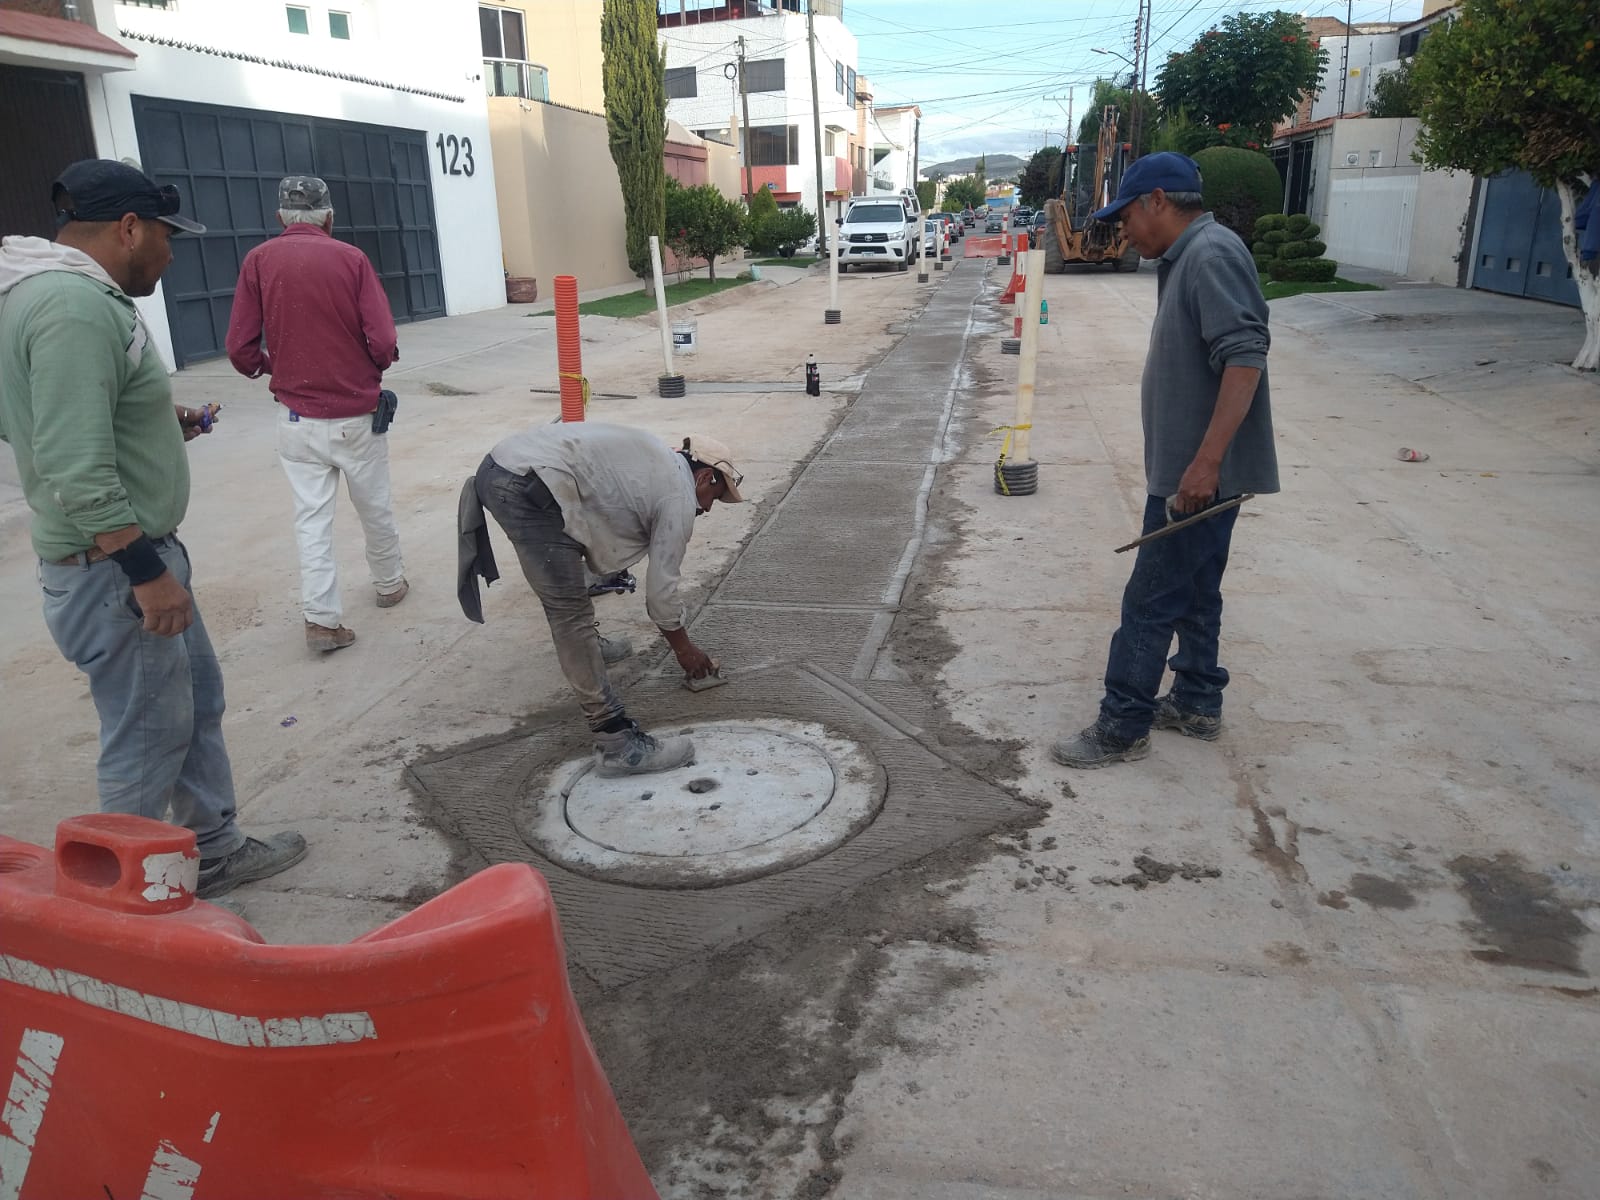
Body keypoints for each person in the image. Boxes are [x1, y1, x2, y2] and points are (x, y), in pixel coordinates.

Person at [0, 160, 307, 895]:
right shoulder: (73, 306)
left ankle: (214, 848)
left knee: (193, 706)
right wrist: (146, 572)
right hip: (115, 567)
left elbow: (40, 418)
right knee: (146, 736)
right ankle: (117, 903)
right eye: (167, 238)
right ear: (130, 228)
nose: (171, 256)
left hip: (122, 557)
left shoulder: (37, 293)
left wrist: (153, 424)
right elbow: (73, 466)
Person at [1052, 152, 1280, 769]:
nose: (1123, 232)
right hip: (1193, 472)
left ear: (1157, 200)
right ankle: (1198, 700)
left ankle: (1122, 725)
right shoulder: (1190, 255)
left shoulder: (1211, 254)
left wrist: (1205, 464)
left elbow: (1245, 358)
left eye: (1126, 216)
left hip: (1197, 476)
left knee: (1149, 600)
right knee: (1197, 591)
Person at [459, 423, 744, 776]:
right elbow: (661, 594)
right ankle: (615, 741)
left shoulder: (657, 462)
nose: (709, 509)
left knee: (571, 567)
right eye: (715, 497)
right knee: (568, 611)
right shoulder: (679, 497)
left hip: (509, 464)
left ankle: (589, 650)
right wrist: (685, 650)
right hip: (524, 484)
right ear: (704, 478)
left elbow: (606, 528)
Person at [225, 175, 406, 654]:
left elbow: (240, 350)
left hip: (296, 420)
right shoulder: (352, 259)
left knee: (311, 521)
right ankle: (389, 583)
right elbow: (383, 340)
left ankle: (322, 620)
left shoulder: (258, 260)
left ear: (280, 217)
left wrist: (273, 366)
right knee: (374, 505)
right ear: (328, 217)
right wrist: (375, 365)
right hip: (356, 416)